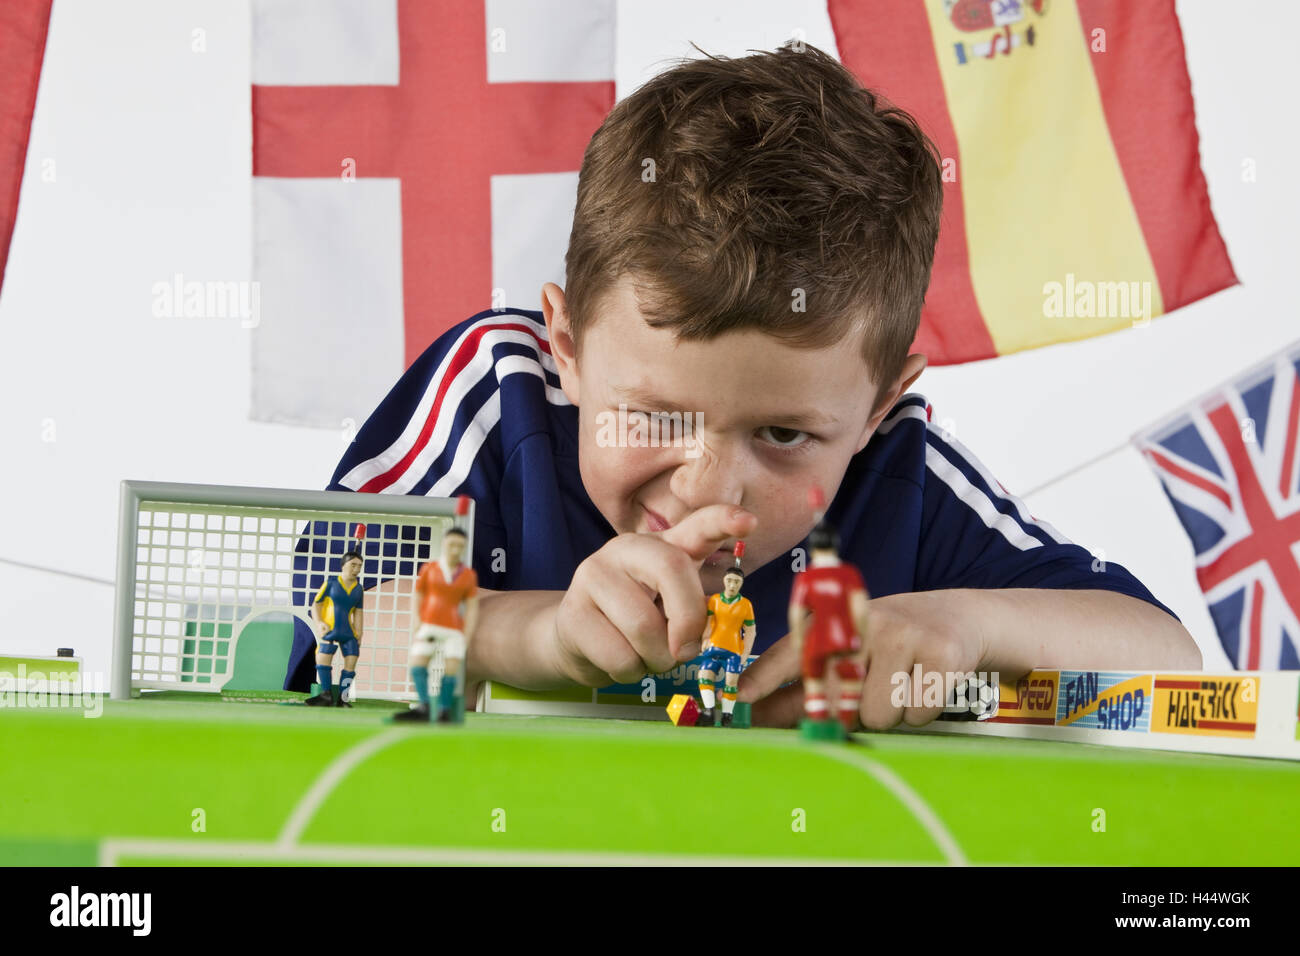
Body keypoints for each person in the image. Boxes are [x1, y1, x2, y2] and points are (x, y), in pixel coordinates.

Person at [287, 42, 1200, 728]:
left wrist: (958, 624)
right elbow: (328, 611)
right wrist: (538, 639)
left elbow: (1172, 664)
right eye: (652, 415)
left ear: (879, 409)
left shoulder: (898, 475)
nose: (708, 491)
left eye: (785, 437)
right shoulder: (502, 390)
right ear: (566, 346)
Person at [392, 525, 479, 722]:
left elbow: (472, 607)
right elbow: (418, 595)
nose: (455, 549)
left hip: (453, 628)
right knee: (417, 665)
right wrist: (416, 618)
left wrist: (468, 632)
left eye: (460, 546)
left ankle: (444, 710)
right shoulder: (430, 569)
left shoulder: (467, 575)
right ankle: (424, 705)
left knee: (451, 669)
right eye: (451, 544)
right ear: (444, 544)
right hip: (430, 624)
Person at [698, 562, 755, 727]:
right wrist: (705, 639)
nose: (732, 585)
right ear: (724, 581)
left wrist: (745, 653)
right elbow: (710, 622)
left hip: (734, 651)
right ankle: (709, 712)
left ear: (741, 584)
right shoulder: (715, 600)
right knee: (705, 676)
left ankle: (727, 715)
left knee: (730, 682)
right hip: (714, 647)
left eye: (736, 582)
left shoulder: (746, 605)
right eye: (729, 580)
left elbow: (750, 631)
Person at [306, 549, 364, 707]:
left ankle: (343, 698)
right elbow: (316, 605)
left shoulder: (358, 589)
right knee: (323, 658)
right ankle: (326, 695)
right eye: (353, 565)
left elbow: (358, 613)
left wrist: (359, 633)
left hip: (348, 632)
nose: (356, 569)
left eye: (359, 566)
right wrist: (319, 623)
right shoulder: (331, 583)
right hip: (330, 629)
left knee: (351, 662)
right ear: (343, 565)